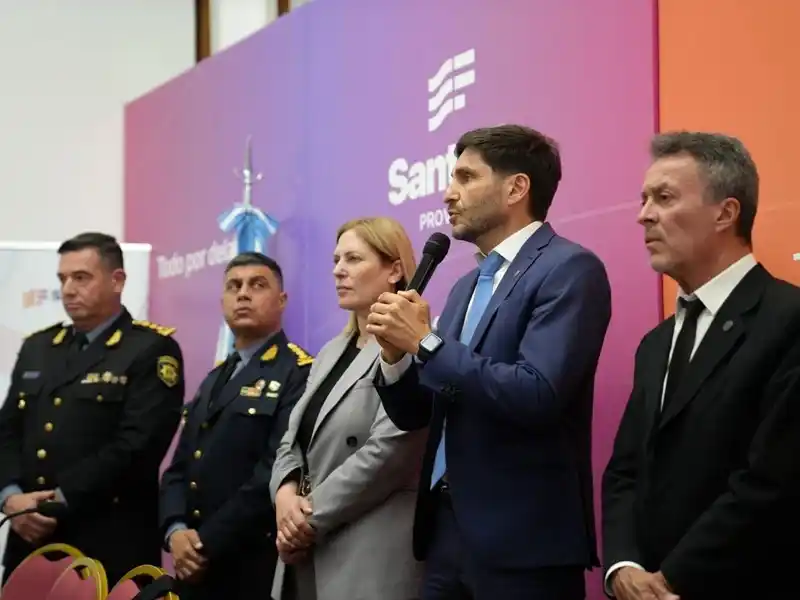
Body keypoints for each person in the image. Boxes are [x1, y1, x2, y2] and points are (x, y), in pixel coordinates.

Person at [367, 125, 613, 600]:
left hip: (522, 544)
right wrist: (398, 358)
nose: (447, 193)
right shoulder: (465, 286)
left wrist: (426, 345)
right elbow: (419, 413)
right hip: (444, 534)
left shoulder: (569, 269)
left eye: (464, 177)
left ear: (516, 188)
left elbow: (536, 393)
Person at [602, 131, 800, 600]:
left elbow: (773, 480)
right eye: (644, 198)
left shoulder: (787, 319)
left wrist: (672, 579)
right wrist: (623, 566)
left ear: (726, 213)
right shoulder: (655, 344)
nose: (643, 214)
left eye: (664, 197)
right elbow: (625, 471)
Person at [0, 232, 185, 585]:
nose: (68, 289)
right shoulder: (38, 347)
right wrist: (10, 499)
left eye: (81, 277)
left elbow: (138, 445)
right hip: (29, 540)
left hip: (107, 544)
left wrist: (56, 500)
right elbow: (6, 430)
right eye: (63, 279)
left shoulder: (150, 349)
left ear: (117, 280)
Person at [269, 217, 426, 600]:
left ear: (394, 270)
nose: (338, 269)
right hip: (305, 553)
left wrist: (304, 520)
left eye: (354, 259)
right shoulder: (327, 354)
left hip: (368, 554)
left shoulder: (415, 347)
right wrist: (285, 498)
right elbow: (291, 442)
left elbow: (390, 452)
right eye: (337, 259)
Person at [159, 252, 311, 600]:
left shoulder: (298, 373)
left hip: (250, 564)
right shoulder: (214, 378)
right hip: (192, 566)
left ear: (282, 300)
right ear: (223, 300)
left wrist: (204, 542)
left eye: (257, 285)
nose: (243, 294)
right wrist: (176, 530)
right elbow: (180, 466)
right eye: (234, 286)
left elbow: (273, 471)